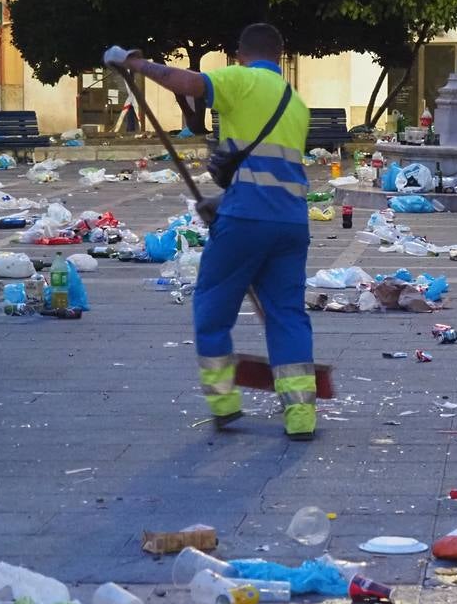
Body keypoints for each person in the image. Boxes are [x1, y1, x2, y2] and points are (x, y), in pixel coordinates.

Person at [104, 24, 316, 438]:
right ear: (281, 54)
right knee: (287, 315)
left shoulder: (242, 79)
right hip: (290, 224)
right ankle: (301, 416)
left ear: (240, 54)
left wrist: (134, 63)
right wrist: (220, 202)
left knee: (213, 310)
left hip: (244, 224)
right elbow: (275, 172)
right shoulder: (297, 103)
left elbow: (185, 82)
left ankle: (224, 405)